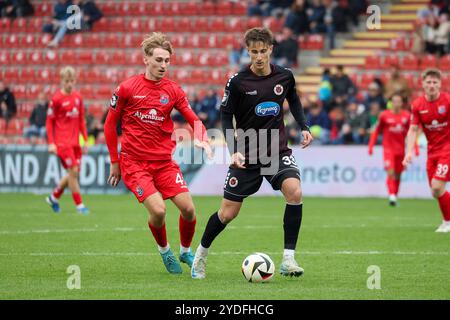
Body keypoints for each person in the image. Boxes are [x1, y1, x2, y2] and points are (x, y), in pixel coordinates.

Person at [191, 27, 313, 279]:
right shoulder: (237, 81)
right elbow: (225, 115)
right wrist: (233, 150)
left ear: (271, 49)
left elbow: (295, 101)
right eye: (253, 52)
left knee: (295, 191)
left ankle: (288, 259)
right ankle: (200, 255)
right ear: (247, 51)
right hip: (246, 153)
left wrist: (304, 127)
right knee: (227, 213)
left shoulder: (285, 76)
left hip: (276, 151)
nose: (258, 57)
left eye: (263, 51)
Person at [104, 33, 213, 274]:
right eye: (159, 60)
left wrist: (203, 138)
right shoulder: (127, 88)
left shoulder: (173, 90)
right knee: (159, 211)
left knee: (189, 209)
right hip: (134, 163)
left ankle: (185, 251)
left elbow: (193, 118)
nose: (164, 65)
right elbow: (109, 125)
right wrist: (115, 162)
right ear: (146, 60)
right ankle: (165, 251)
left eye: (167, 61)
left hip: (164, 162)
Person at [403, 68, 450, 233]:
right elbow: (413, 129)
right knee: (435, 191)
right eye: (428, 82)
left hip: (447, 150)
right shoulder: (417, 105)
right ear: (422, 84)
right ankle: (447, 222)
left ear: (440, 84)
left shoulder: (448, 101)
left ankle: (448, 222)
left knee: (437, 187)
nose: (431, 85)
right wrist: (408, 152)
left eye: (435, 82)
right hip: (432, 152)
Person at [45, 66, 89, 214]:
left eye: (72, 81)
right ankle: (80, 205)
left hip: (76, 142)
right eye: (66, 81)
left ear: (75, 80)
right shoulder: (56, 99)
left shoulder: (78, 98)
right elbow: (49, 122)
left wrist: (85, 139)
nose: (69, 84)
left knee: (72, 174)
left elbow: (82, 119)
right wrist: (51, 142)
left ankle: (53, 197)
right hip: (62, 143)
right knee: (74, 172)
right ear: (62, 81)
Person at [368, 93, 415, 206]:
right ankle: (392, 196)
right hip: (388, 149)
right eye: (394, 101)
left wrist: (415, 147)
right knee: (390, 172)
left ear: (402, 103)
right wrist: (371, 145)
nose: (396, 103)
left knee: (398, 174)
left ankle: (394, 195)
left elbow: (411, 132)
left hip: (401, 150)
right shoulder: (384, 115)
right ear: (391, 103)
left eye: (398, 101)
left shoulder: (407, 115)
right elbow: (376, 131)